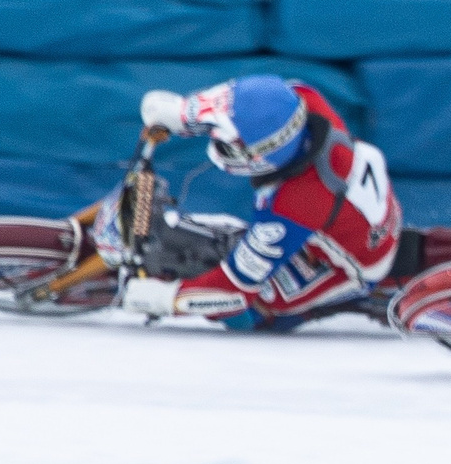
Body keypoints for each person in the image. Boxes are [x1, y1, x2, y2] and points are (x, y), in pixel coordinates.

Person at [119, 76, 403, 331]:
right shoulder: (302, 99)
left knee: (264, 301)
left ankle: (272, 317)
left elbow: (235, 293)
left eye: (231, 146)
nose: (222, 147)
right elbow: (238, 104)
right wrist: (184, 113)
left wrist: (167, 299)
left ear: (266, 153)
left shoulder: (295, 205)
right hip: (353, 208)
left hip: (349, 265)